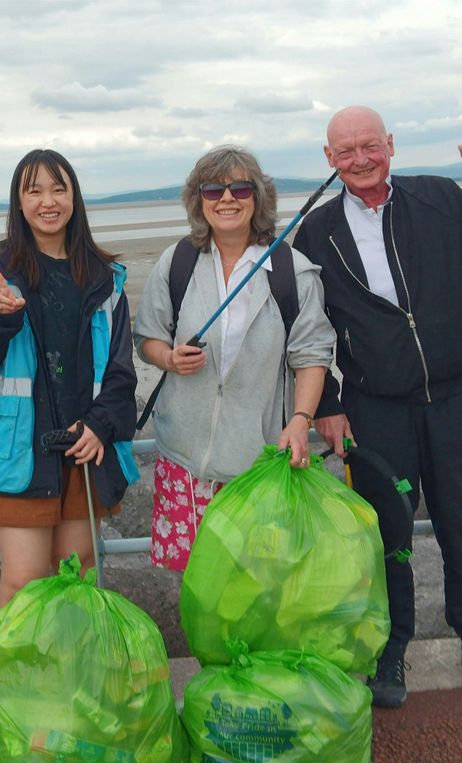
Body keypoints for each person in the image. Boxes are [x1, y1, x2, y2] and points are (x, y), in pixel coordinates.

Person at [293, 107, 462, 708]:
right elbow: (309, 329)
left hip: (456, 398)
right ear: (329, 159)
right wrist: (326, 401)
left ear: (391, 145)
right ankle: (389, 649)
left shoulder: (438, 198)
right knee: (386, 535)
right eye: (345, 150)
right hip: (377, 410)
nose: (359, 159)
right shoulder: (315, 231)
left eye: (369, 146)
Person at [0, 149, 138, 610]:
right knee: (23, 584)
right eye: (33, 190)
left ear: (74, 197)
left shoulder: (104, 277)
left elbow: (120, 371)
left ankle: (74, 679)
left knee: (79, 577)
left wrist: (100, 425)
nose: (47, 201)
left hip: (83, 447)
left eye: (59, 188)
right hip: (22, 449)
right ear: (18, 202)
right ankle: (11, 682)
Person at [133, 146, 335, 571]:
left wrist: (300, 421)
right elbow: (147, 336)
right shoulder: (178, 262)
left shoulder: (292, 271)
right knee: (193, 586)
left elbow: (312, 356)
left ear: (258, 197)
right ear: (198, 199)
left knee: (254, 587)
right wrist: (168, 357)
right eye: (213, 189)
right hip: (184, 465)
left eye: (240, 188)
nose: (227, 198)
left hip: (259, 465)